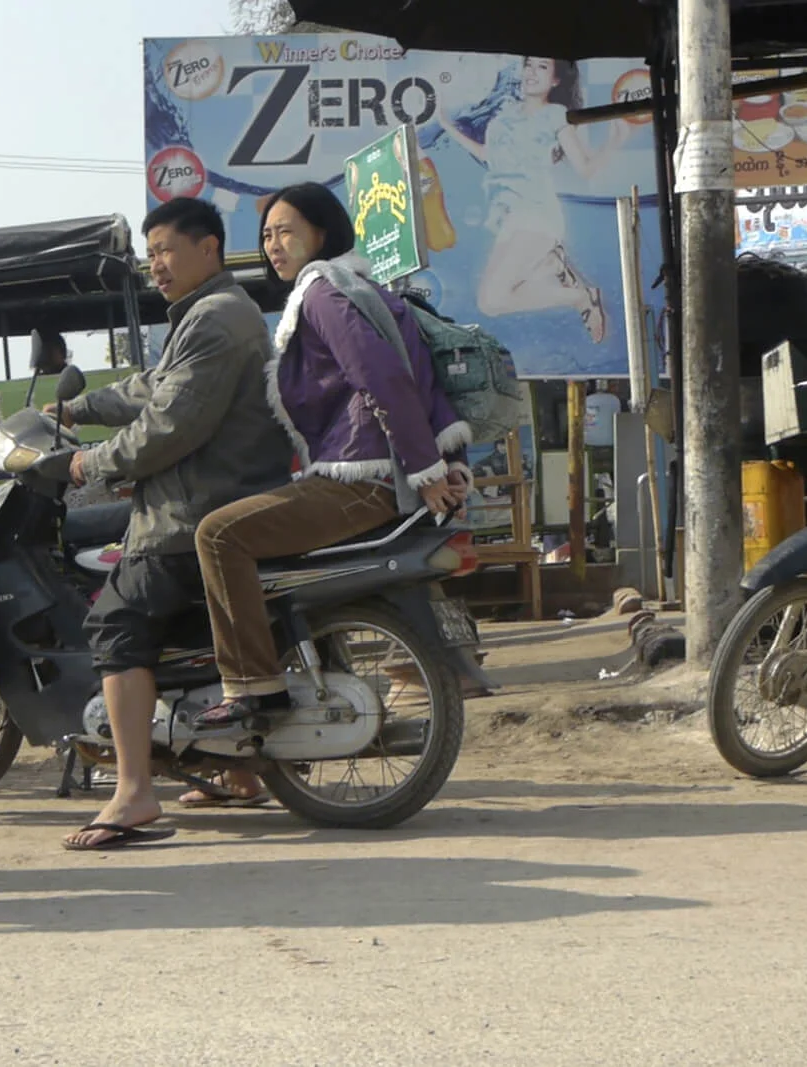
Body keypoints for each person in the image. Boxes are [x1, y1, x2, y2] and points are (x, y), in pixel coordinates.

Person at [188, 182, 470, 747]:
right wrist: (448, 459)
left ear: (322, 233)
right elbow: (422, 377)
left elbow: (381, 376)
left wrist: (425, 468)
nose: (273, 245)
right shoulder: (362, 287)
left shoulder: (321, 291)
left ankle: (252, 688)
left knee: (218, 535)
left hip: (362, 477)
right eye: (267, 235)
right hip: (375, 473)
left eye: (286, 231)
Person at [51, 197, 294, 850]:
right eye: (150, 253)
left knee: (116, 624)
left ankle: (133, 791)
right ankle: (238, 768)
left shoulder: (215, 319)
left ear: (208, 248)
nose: (155, 264)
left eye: (166, 250)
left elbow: (169, 424)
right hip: (211, 498)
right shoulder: (211, 313)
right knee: (192, 636)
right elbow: (153, 387)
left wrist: (87, 464)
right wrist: (75, 410)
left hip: (192, 513)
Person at [436, 56, 632, 342]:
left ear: (555, 80)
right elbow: (487, 155)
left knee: (494, 299)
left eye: (542, 67)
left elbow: (585, 168)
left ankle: (580, 296)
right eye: (529, 65)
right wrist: (446, 126)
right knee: (487, 303)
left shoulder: (555, 115)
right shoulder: (505, 112)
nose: (531, 72)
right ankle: (552, 265)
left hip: (538, 215)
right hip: (511, 218)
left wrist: (615, 141)